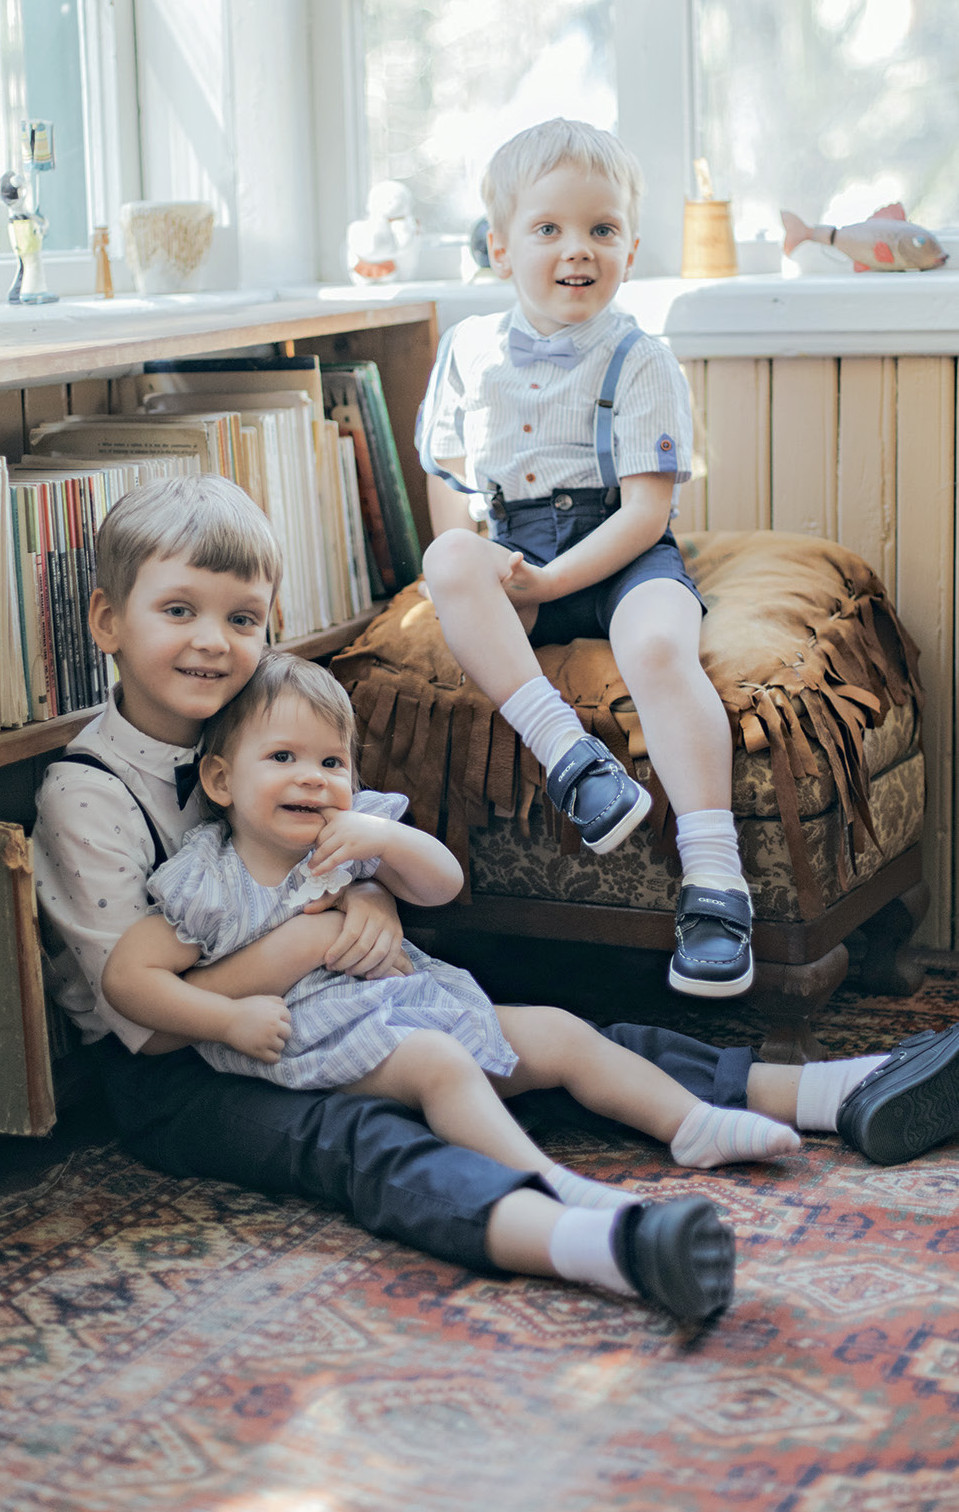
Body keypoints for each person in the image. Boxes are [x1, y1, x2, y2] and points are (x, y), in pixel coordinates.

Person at [31, 475, 959, 1329]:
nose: (210, 642)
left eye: (240, 619)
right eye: (178, 611)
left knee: (522, 1034)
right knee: (356, 1135)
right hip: (180, 1072)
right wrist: (315, 940)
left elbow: (350, 864)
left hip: (329, 1005)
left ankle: (826, 1091)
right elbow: (142, 1023)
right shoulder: (88, 796)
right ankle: (594, 1241)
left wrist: (372, 902)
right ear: (109, 621)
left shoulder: (271, 733)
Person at [102, 651, 803, 1210]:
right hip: (312, 1046)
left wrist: (387, 841)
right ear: (221, 781)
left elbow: (442, 885)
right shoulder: (212, 883)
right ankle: (548, 1187)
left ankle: (689, 1123)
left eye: (331, 762)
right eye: (282, 758)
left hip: (412, 1004)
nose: (312, 779)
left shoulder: (354, 836)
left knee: (558, 1030)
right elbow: (128, 979)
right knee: (438, 1062)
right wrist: (225, 1021)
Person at [417, 117, 748, 999]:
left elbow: (645, 512)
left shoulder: (641, 359)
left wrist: (558, 580)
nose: (577, 249)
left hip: (619, 550)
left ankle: (714, 880)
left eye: (601, 229)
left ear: (629, 252)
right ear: (500, 248)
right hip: (513, 545)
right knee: (446, 557)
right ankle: (573, 762)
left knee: (659, 644)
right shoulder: (467, 350)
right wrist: (481, 564)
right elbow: (448, 480)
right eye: (548, 228)